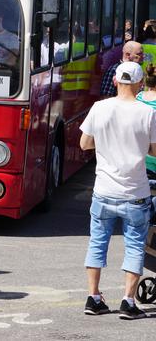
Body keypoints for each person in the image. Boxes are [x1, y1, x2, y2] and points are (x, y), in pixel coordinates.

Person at [80, 61, 156, 320]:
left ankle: (94, 297)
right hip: (136, 192)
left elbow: (84, 143)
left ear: (115, 80)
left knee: (97, 242)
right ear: (139, 84)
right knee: (135, 246)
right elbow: (154, 151)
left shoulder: (99, 108)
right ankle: (128, 301)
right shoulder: (147, 113)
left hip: (103, 189)